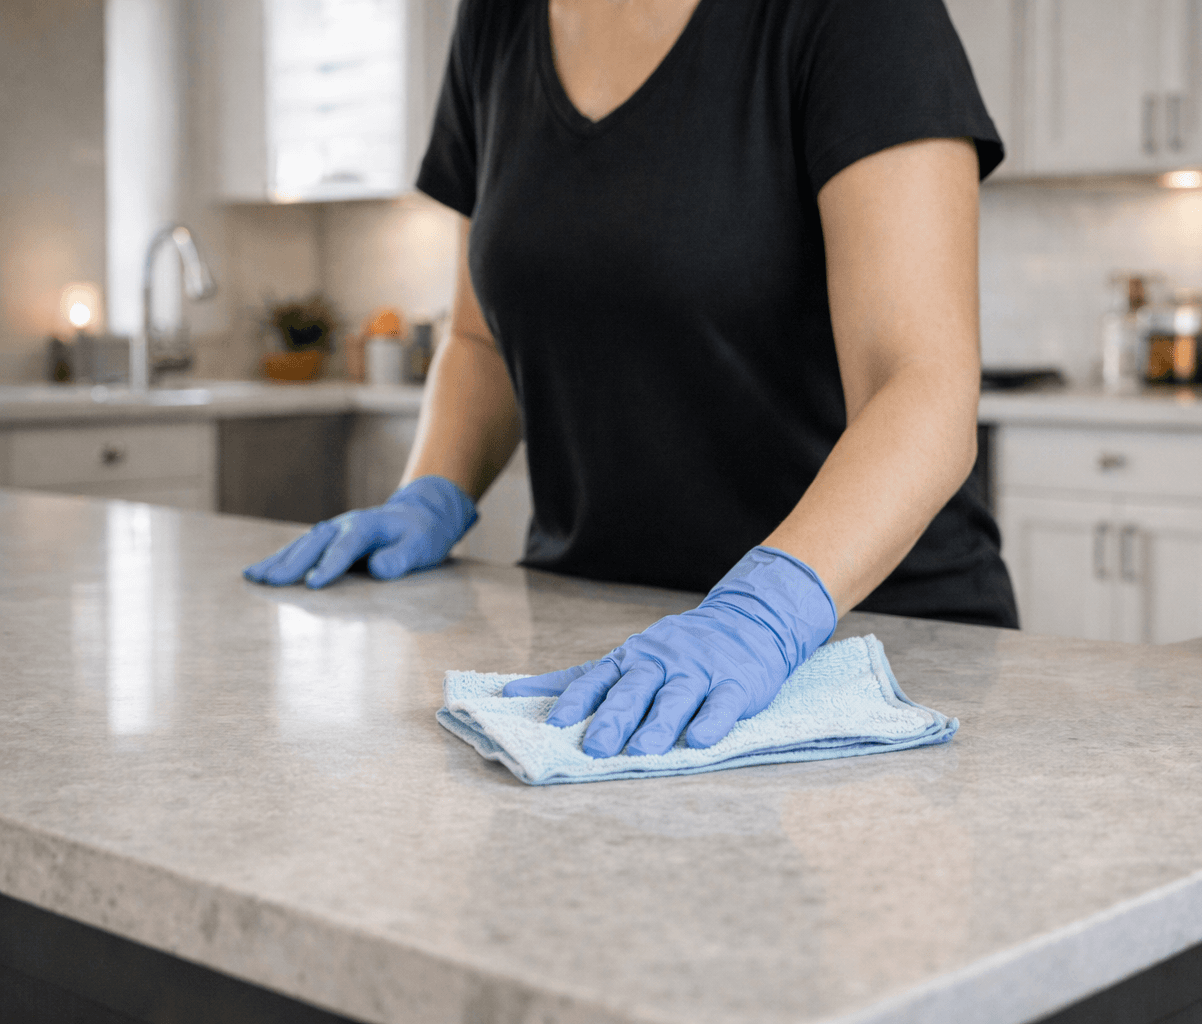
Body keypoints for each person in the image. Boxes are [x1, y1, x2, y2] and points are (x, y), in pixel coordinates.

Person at [245, 0, 1018, 758]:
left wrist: (761, 614)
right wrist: (432, 494)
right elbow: (481, 337)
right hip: (603, 649)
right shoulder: (496, 19)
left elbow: (919, 383)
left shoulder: (859, 16)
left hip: (869, 653)